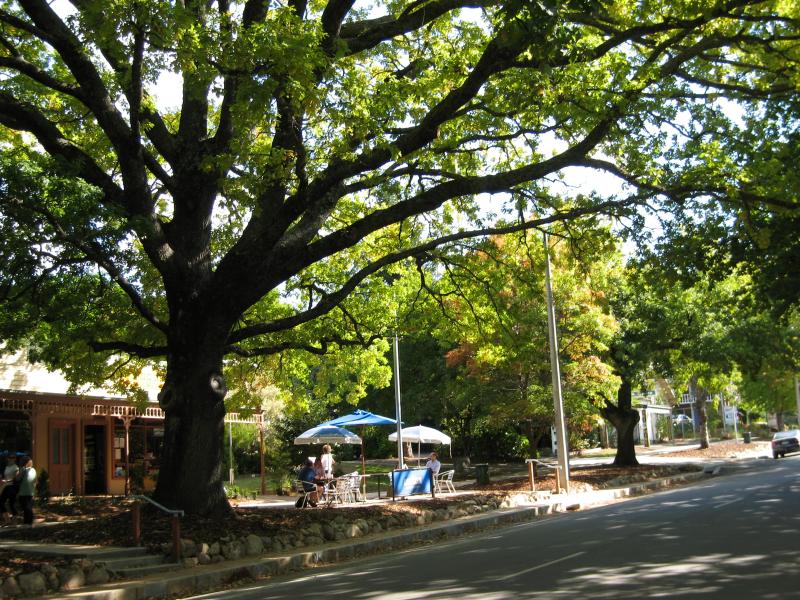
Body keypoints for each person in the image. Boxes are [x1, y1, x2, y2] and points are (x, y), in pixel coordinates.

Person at [16, 456, 36, 526]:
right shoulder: (33, 470)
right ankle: (28, 522)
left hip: (24, 492)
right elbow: (34, 482)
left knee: (26, 508)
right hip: (29, 491)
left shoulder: (24, 470)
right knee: (27, 507)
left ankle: (28, 522)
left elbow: (18, 479)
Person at [0, 454, 19, 524]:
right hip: (6, 486)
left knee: (12, 504)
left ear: (15, 459)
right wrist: (2, 479)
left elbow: (16, 478)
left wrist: (7, 480)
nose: (11, 459)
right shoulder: (6, 467)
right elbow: (4, 477)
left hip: (12, 487)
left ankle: (15, 522)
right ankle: (7, 520)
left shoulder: (16, 467)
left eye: (13, 458)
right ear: (7, 459)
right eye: (10, 458)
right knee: (1, 502)